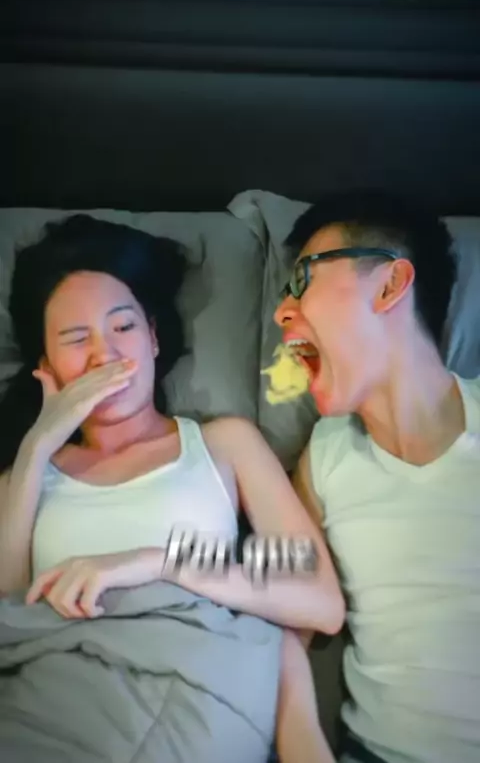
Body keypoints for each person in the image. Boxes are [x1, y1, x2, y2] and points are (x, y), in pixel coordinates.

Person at [0, 214, 344, 763]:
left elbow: (317, 595)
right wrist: (38, 445)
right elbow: (11, 622)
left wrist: (157, 561)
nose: (104, 355)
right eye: (76, 338)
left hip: (190, 688)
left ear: (154, 338)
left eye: (123, 327)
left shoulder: (222, 444)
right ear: (47, 366)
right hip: (56, 697)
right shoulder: (23, 478)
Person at [273, 189, 480, 763]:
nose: (282, 312)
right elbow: (286, 615)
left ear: (390, 284)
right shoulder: (325, 456)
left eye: (303, 280)